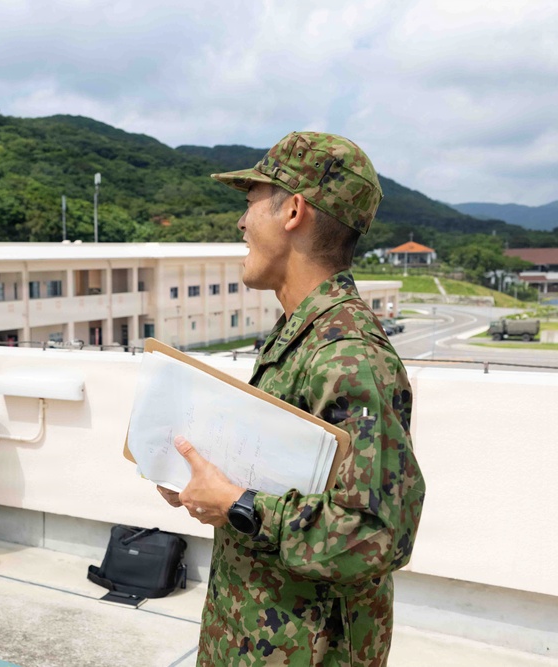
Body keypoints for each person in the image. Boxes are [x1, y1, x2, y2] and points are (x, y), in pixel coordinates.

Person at [156, 132, 425, 666]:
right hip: (256, 637)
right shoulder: (300, 335)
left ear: (294, 210)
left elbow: (376, 536)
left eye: (251, 200)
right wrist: (214, 487)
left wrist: (239, 505)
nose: (240, 222)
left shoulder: (349, 355)